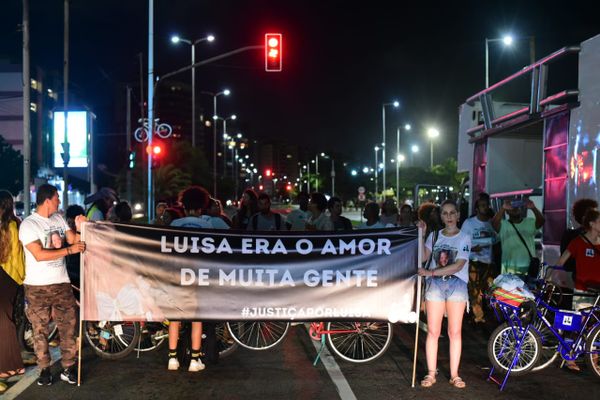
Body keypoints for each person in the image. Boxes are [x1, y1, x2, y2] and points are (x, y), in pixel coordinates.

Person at [18, 184, 86, 386]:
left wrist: (80, 228)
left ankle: (68, 367)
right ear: (47, 199)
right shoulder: (29, 224)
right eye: (57, 197)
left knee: (68, 328)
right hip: (37, 286)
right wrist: (69, 250)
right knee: (40, 331)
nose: (59, 200)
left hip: (61, 283)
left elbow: (74, 240)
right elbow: (38, 254)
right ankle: (45, 370)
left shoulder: (58, 218)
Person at [167, 185, 226, 372]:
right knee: (196, 319)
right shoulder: (207, 226)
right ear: (202, 207)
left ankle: (173, 359)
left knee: (175, 318)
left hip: (176, 277)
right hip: (197, 277)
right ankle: (194, 360)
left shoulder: (175, 225)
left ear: (183, 206)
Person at [417, 199, 471, 389]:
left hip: (456, 285)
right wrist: (422, 235)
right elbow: (424, 257)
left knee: (454, 332)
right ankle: (431, 373)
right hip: (435, 286)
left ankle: (455, 374)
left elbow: (458, 265)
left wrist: (431, 272)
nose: (448, 217)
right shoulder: (434, 236)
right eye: (444, 213)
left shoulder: (464, 237)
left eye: (452, 213)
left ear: (458, 215)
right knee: (433, 331)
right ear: (440, 216)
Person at [0, 190, 25, 385]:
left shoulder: (7, 225)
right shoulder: (14, 224)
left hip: (5, 276)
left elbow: (14, 254)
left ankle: (10, 366)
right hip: (11, 278)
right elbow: (18, 255)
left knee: (4, 321)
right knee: (7, 321)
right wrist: (20, 278)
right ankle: (11, 366)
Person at [460, 194, 497, 324]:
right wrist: (471, 248)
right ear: (476, 208)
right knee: (474, 290)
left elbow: (497, 239)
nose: (485, 208)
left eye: (487, 205)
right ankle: (478, 317)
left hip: (488, 262)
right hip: (473, 261)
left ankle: (483, 315)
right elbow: (461, 241)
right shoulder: (469, 223)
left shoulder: (492, 223)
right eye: (482, 205)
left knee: (489, 289)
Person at [559, 198, 598, 309]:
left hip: (589, 285)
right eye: (594, 214)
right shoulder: (574, 238)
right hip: (583, 286)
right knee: (583, 319)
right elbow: (565, 263)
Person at [492, 197, 545, 277]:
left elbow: (541, 221)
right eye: (512, 207)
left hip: (528, 267)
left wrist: (533, 208)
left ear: (521, 209)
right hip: (509, 269)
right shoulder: (503, 224)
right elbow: (494, 223)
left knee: (528, 289)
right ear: (507, 212)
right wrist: (503, 208)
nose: (515, 208)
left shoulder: (530, 222)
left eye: (517, 207)